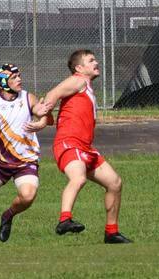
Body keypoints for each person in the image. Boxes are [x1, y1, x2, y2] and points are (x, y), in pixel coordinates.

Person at [39, 49, 132, 244]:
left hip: (85, 147)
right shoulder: (78, 80)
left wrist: (47, 117)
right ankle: (64, 220)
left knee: (114, 183)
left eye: (95, 60)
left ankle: (112, 232)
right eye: (91, 61)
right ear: (79, 68)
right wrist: (43, 119)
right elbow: (52, 94)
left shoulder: (86, 86)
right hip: (69, 142)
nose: (96, 63)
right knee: (78, 178)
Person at [0, 64, 52, 242]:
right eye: (14, 77)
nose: (19, 79)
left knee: (28, 196)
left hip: (25, 162)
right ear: (3, 83)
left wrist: (42, 119)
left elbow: (46, 118)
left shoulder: (27, 97)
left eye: (19, 76)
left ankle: (8, 216)